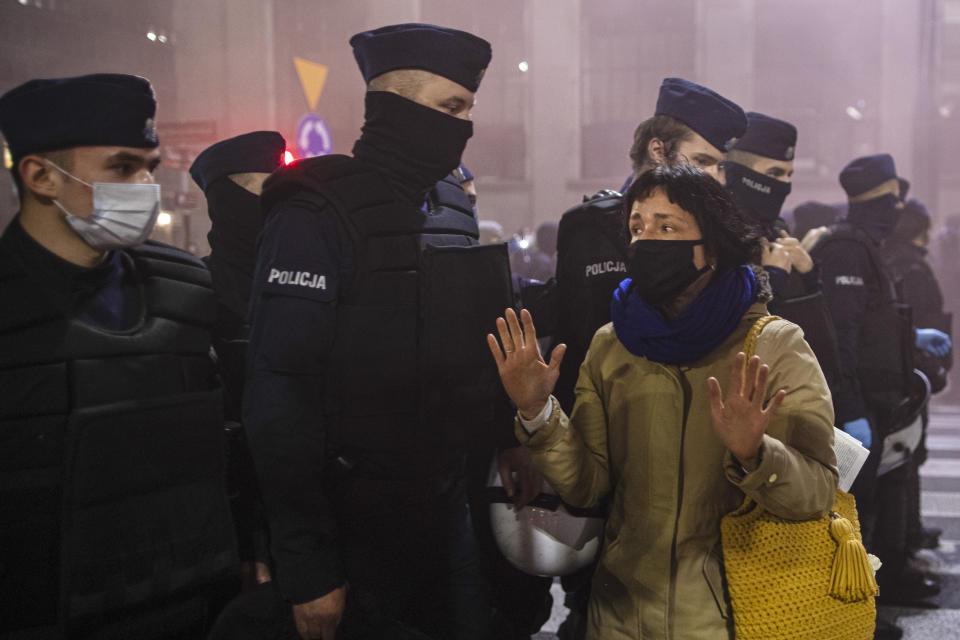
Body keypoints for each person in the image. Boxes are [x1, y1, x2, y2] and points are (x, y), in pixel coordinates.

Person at [240, 23, 518, 640]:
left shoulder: (453, 204)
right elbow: (279, 399)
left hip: (448, 509)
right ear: (396, 105)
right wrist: (308, 565)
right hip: (355, 523)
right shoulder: (313, 209)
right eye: (452, 108)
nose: (465, 126)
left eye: (469, 109)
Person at [488, 165, 838, 639]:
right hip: (621, 614)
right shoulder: (613, 345)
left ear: (709, 249)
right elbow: (587, 487)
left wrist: (756, 454)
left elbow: (818, 492)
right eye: (637, 227)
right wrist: (537, 412)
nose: (646, 239)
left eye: (667, 226)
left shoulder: (773, 345)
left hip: (734, 618)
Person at [0, 74, 236, 637]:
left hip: (188, 601)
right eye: (123, 167)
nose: (145, 186)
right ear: (39, 176)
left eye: (150, 168)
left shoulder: (189, 290)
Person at [810, 154, 950, 565]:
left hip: (874, 395)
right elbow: (842, 332)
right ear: (876, 199)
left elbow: (874, 321)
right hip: (859, 400)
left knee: (866, 507)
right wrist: (851, 407)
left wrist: (912, 335)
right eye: (892, 200)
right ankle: (855, 616)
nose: (898, 210)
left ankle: (864, 606)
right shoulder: (848, 250)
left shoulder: (865, 247)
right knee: (856, 515)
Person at [190, 130, 288, 590]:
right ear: (226, 198)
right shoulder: (194, 294)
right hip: (235, 522)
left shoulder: (302, 281)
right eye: (264, 189)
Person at [725, 112, 842, 388]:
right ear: (742, 173)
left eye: (789, 174)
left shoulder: (776, 230)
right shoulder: (722, 233)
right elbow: (728, 325)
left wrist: (810, 274)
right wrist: (772, 277)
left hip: (799, 385)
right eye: (774, 173)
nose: (784, 184)